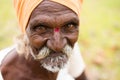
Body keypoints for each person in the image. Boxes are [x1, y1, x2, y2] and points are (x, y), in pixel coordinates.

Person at [0, 0, 87, 80]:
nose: (58, 46)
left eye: (69, 26)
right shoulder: (4, 73)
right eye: (41, 28)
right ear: (24, 28)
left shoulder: (71, 49)